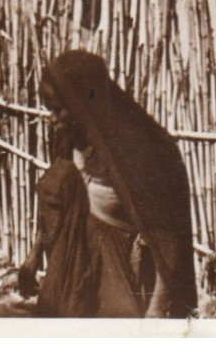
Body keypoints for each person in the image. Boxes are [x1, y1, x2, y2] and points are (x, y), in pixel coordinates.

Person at [35, 50, 197, 317]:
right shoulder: (70, 136)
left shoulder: (135, 147)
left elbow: (165, 235)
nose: (51, 117)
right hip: (78, 261)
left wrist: (157, 307)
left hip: (123, 265)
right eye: (48, 109)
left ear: (81, 101)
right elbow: (57, 209)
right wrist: (35, 254)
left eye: (57, 109)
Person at [18, 122, 96, 317]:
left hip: (56, 261)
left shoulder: (50, 176)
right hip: (75, 258)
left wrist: (33, 257)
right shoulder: (73, 179)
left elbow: (44, 223)